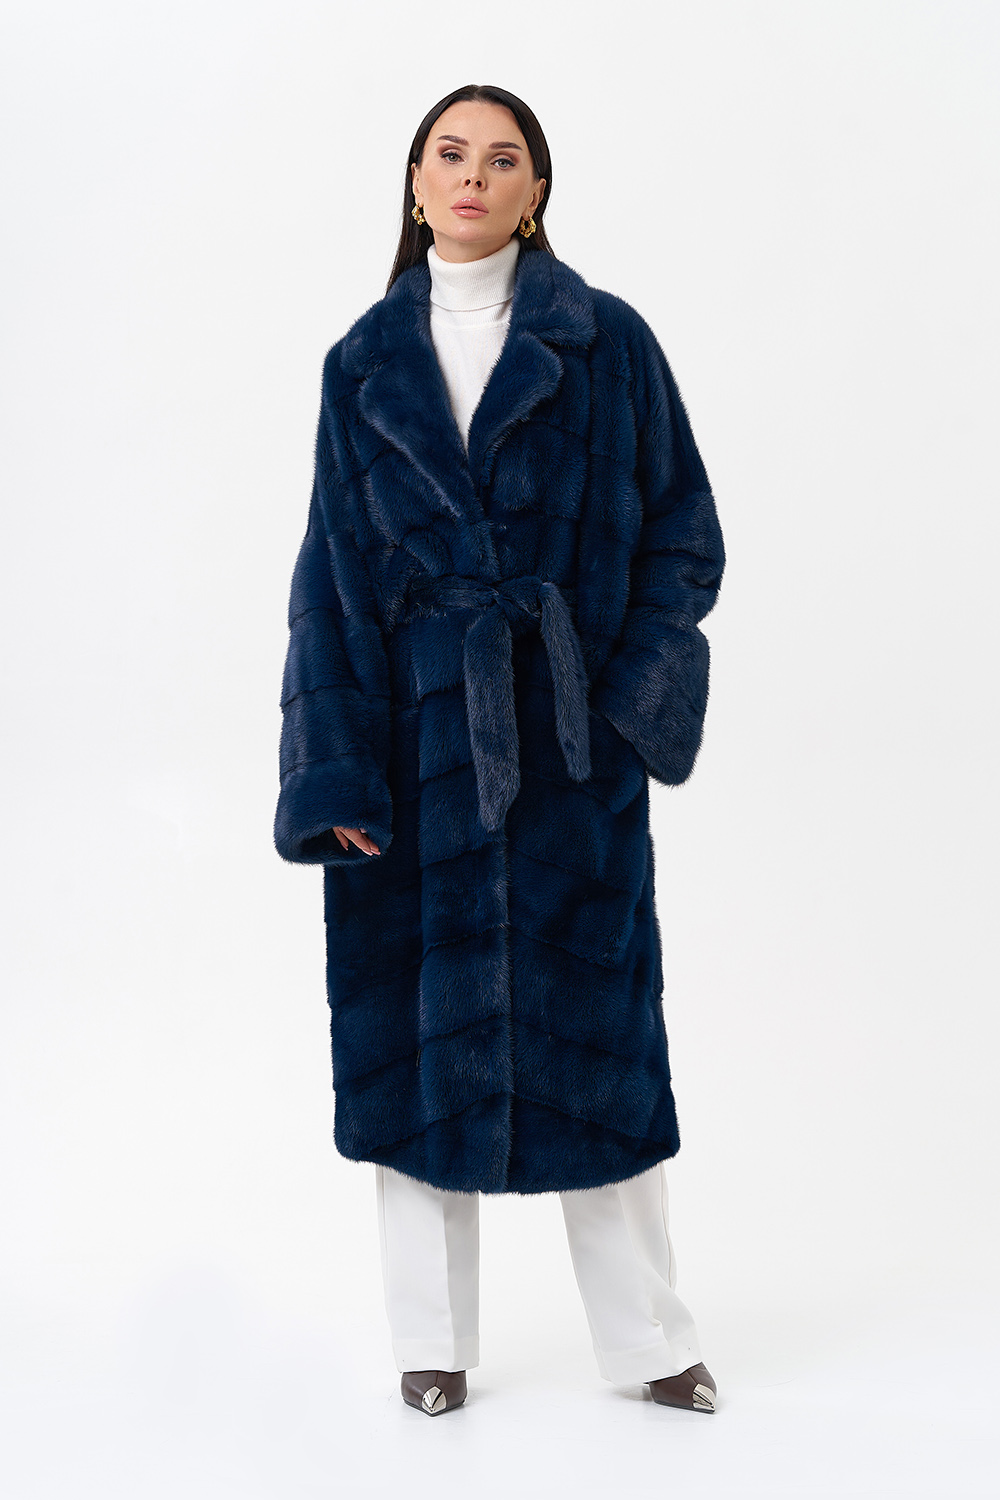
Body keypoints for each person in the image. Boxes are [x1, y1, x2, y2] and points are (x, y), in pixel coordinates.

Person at [274, 84, 726, 1418]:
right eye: (450, 153)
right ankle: (430, 1344)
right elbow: (331, 581)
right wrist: (337, 774)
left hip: (572, 748)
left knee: (604, 1051)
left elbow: (682, 534)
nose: (474, 175)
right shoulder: (361, 364)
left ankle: (649, 1342)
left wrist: (631, 714)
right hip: (411, 755)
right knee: (414, 1051)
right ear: (417, 183)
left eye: (504, 157)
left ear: (536, 191)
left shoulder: (605, 342)